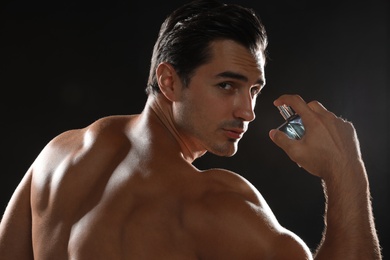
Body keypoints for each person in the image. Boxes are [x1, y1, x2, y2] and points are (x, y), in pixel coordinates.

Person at [0, 0, 382, 259]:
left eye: (254, 90)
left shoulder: (56, 156)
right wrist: (345, 172)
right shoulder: (214, 203)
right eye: (226, 86)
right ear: (168, 82)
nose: (248, 112)